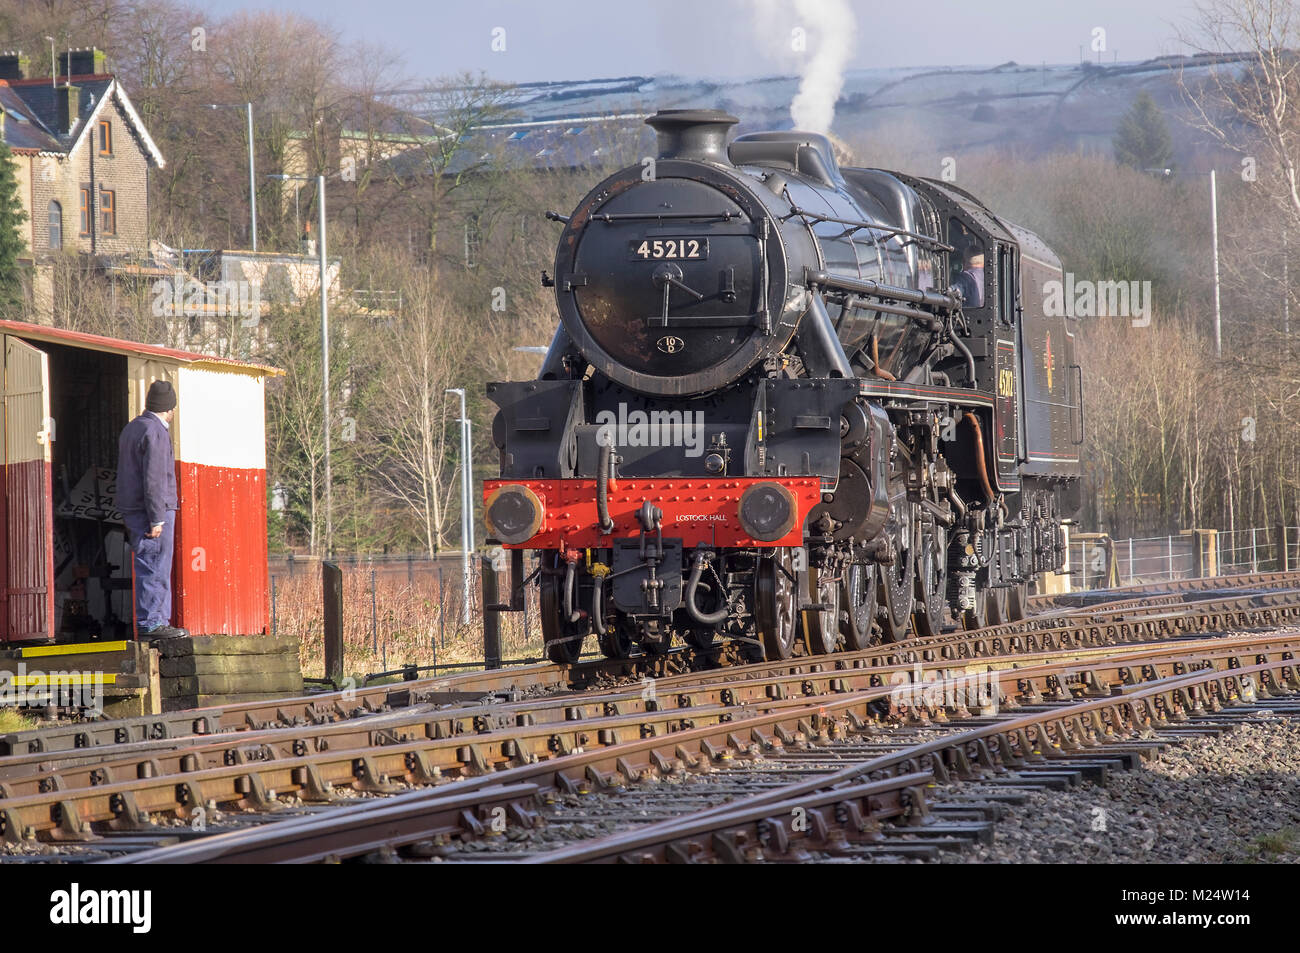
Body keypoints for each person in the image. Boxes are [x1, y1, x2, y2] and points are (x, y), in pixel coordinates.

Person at [117, 380, 188, 640]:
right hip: (152, 510)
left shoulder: (132, 428)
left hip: (133, 508)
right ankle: (153, 623)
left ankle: (154, 621)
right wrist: (157, 517)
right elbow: (155, 478)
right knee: (155, 564)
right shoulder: (156, 432)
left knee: (149, 562)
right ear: (169, 408)